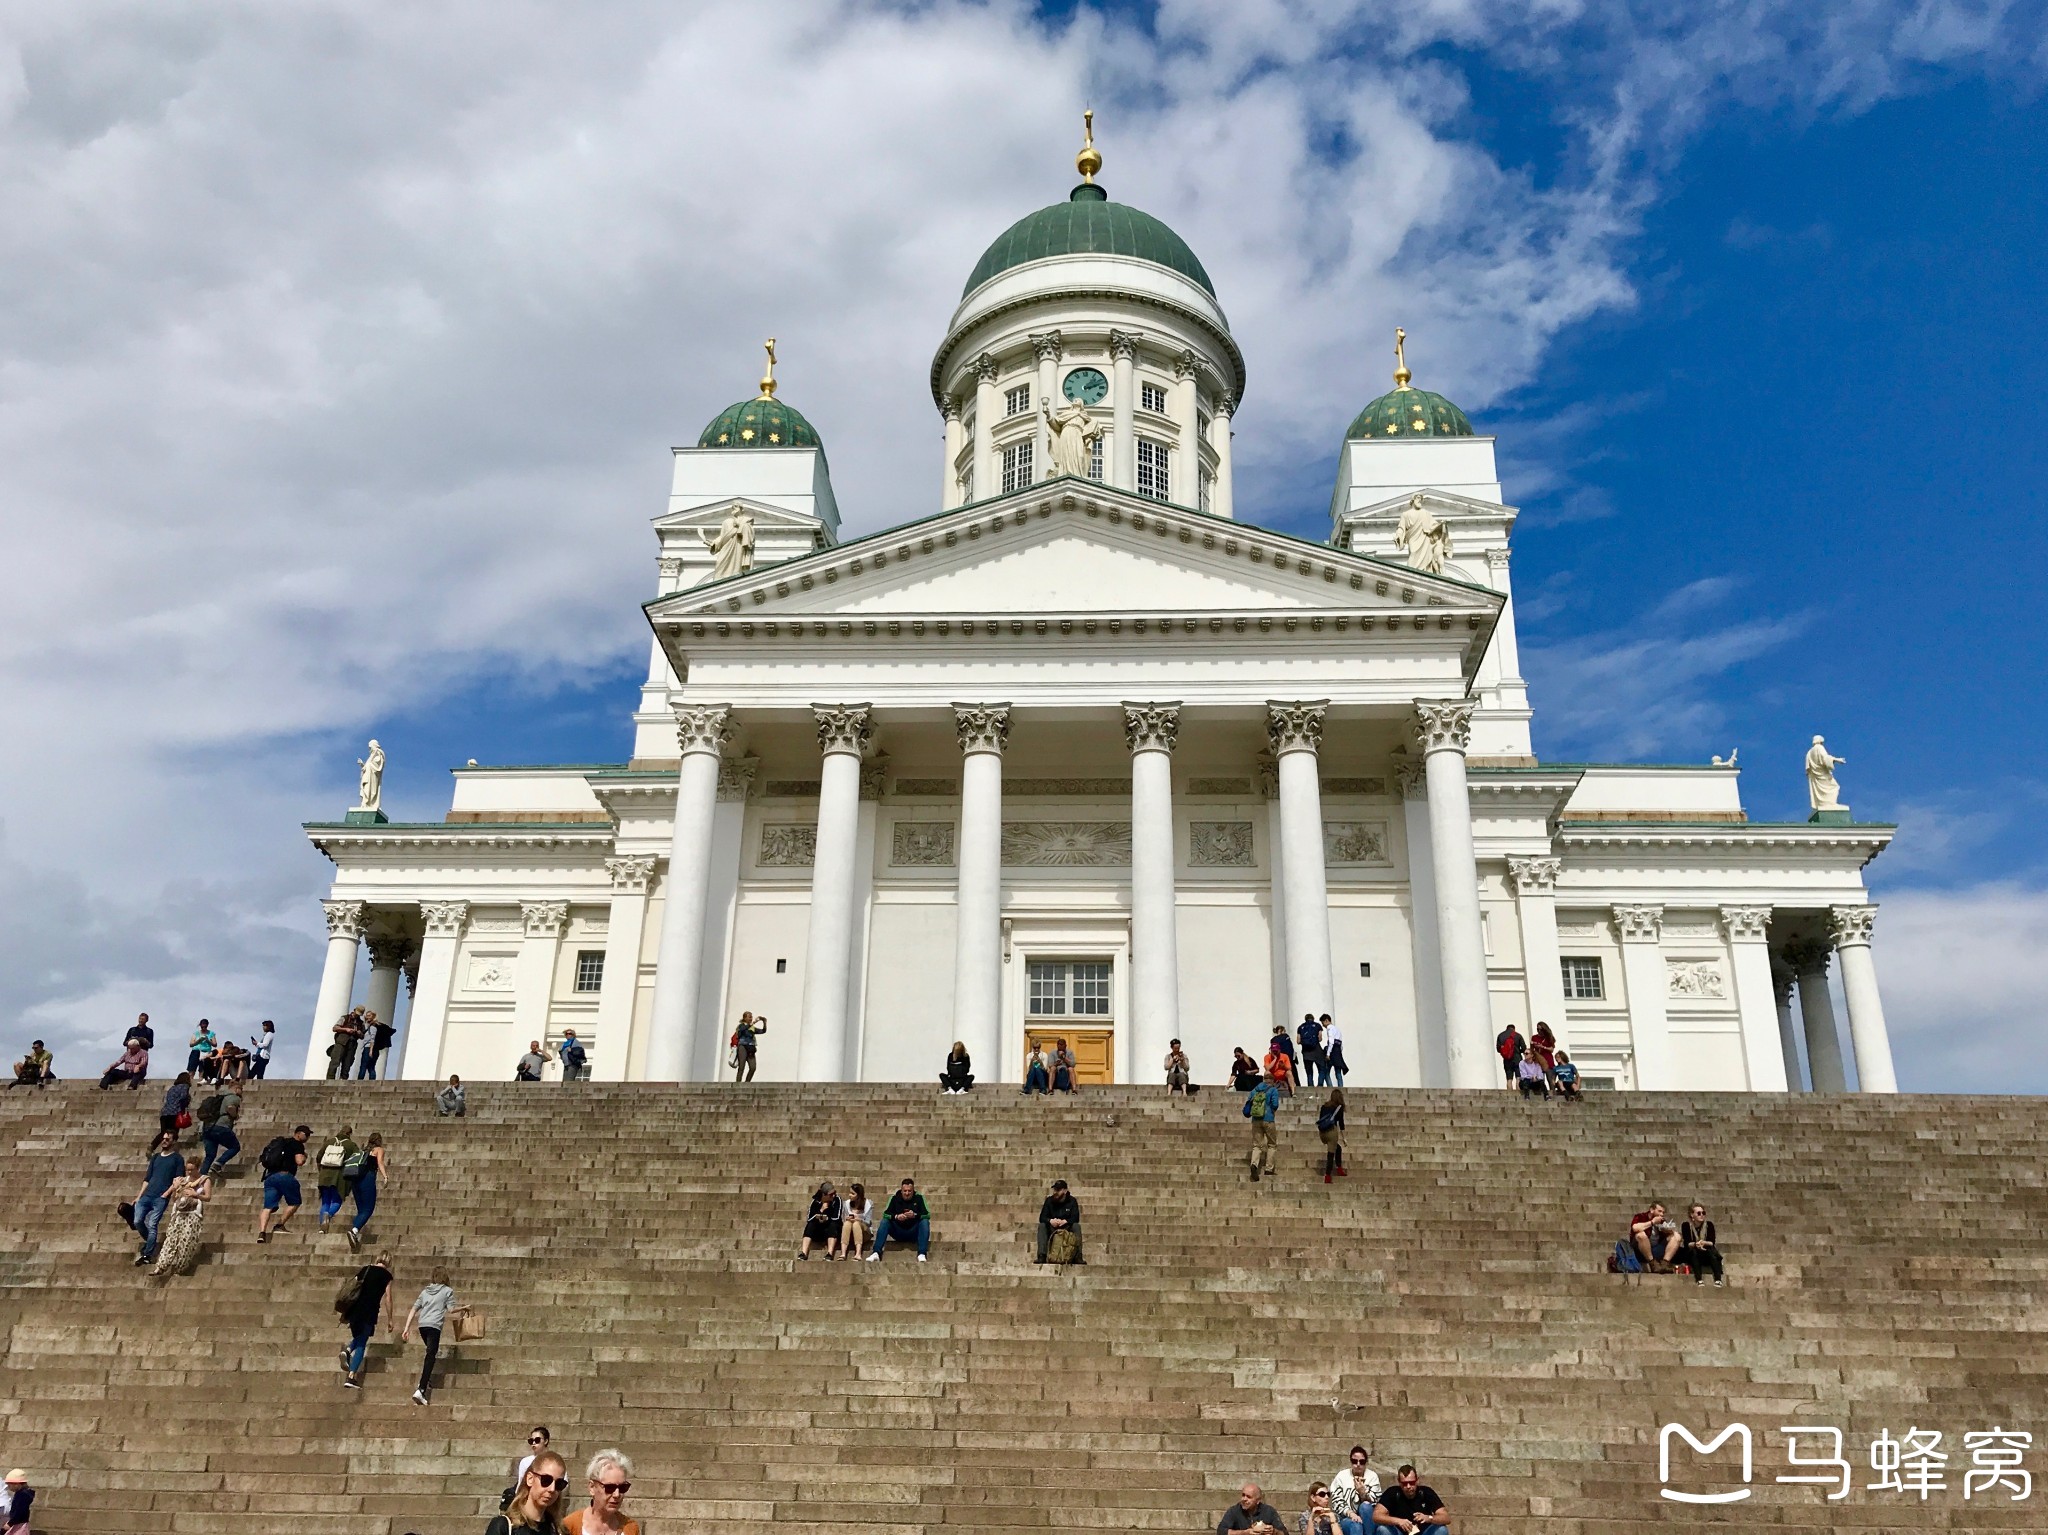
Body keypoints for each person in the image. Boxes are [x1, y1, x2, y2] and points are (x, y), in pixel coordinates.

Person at [399, 1264, 457, 1405]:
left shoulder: (426, 1291)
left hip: (423, 1326)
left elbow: (414, 1309)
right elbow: (451, 1310)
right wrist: (464, 1308)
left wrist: (406, 1328)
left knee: (430, 1352)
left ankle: (427, 1379)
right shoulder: (447, 1291)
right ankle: (421, 1389)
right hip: (434, 1326)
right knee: (431, 1355)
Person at [337, 1251, 394, 1389]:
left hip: (355, 1310)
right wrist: (390, 1319)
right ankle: (351, 1377)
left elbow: (351, 1286)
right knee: (362, 1342)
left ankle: (348, 1350)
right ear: (389, 1262)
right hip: (369, 1311)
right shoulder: (387, 1276)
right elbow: (388, 1298)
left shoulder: (366, 1269)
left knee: (359, 1336)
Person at [130, 1130, 186, 1267]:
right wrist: (139, 1196)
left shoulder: (177, 1159)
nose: (164, 1141)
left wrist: (166, 1194)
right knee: (137, 1221)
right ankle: (151, 1243)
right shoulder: (155, 1157)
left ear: (173, 1141)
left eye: (168, 1139)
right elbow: (147, 1178)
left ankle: (147, 1254)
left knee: (152, 1224)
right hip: (147, 1195)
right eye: (164, 1138)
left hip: (160, 1197)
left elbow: (178, 1179)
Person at [150, 1155, 211, 1279]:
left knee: (187, 1240)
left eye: (191, 1169)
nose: (189, 1172)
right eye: (187, 1169)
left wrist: (196, 1194)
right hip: (179, 1212)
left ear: (197, 1168)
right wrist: (176, 1189)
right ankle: (161, 1266)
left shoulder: (205, 1180)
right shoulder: (182, 1180)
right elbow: (174, 1198)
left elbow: (208, 1197)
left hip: (193, 1213)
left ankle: (180, 1267)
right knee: (171, 1239)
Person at [255, 1124, 311, 1243]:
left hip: (270, 1177)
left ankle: (262, 1232)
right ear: (298, 1134)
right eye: (306, 1134)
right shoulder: (297, 1145)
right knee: (295, 1202)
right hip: (285, 1176)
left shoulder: (281, 1143)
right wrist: (305, 1156)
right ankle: (279, 1225)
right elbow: (299, 1161)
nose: (308, 1137)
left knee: (267, 1207)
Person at [491, 1449, 569, 1534]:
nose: (552, 1489)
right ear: (530, 1479)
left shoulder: (558, 1531)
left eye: (559, 1484)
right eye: (546, 1480)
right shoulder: (504, 1526)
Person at [565, 1448, 639, 1534]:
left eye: (623, 1487)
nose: (617, 1494)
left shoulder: (630, 1528)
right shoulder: (570, 1526)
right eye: (610, 1488)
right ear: (592, 1487)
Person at [868, 1177, 931, 1262]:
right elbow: (885, 1214)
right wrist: (896, 1216)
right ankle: (876, 1252)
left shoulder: (919, 1198)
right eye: (905, 1191)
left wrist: (915, 1215)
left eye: (909, 1191)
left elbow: (927, 1214)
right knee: (885, 1222)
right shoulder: (894, 1198)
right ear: (901, 1190)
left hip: (914, 1232)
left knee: (925, 1222)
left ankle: (922, 1253)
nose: (907, 1193)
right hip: (898, 1231)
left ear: (913, 1191)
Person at [1372, 1465, 1450, 1533]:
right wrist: (1398, 1521)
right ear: (1399, 1482)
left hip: (1424, 1532)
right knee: (1382, 1529)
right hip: (1399, 1532)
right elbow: (1376, 1516)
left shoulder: (1426, 1492)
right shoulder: (1393, 1493)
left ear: (1417, 1481)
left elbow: (1446, 1518)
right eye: (1404, 1483)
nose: (1408, 1486)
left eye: (1412, 1482)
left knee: (1442, 1529)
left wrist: (1428, 1518)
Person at [346, 1131, 387, 1252]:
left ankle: (354, 1232)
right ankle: (354, 1231)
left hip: (356, 1180)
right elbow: (380, 1162)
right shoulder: (379, 1149)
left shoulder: (363, 1151)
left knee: (361, 1210)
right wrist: (385, 1176)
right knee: (368, 1209)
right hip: (367, 1179)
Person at [315, 1125, 359, 1234]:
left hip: (324, 1175)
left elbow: (318, 1157)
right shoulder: (350, 1145)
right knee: (336, 1200)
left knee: (325, 1201)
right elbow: (357, 1159)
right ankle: (328, 1216)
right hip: (340, 1177)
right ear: (349, 1134)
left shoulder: (329, 1142)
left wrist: (321, 1170)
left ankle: (322, 1228)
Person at [1331, 1448, 1383, 1535]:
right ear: (1350, 1461)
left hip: (1368, 1520)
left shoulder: (1372, 1476)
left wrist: (1363, 1493)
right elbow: (1336, 1501)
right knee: (1356, 1525)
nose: (1358, 1464)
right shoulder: (1342, 1476)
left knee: (1365, 1506)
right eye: (1354, 1461)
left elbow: (1376, 1503)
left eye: (1361, 1462)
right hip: (1346, 1518)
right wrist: (1351, 1514)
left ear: (1366, 1462)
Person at [1244, 1068, 1282, 1183]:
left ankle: (1254, 1165)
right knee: (1271, 1144)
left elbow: (1249, 1101)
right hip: (1268, 1119)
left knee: (1257, 1145)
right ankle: (1269, 1169)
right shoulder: (1273, 1090)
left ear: (1263, 1079)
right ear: (1272, 1080)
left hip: (1256, 1120)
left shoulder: (1255, 1090)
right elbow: (1275, 1105)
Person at [1035, 1178, 1082, 1264]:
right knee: (1042, 1226)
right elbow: (1042, 1217)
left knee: (1076, 1226)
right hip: (1052, 1227)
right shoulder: (1049, 1200)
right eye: (1055, 1189)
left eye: (1058, 1190)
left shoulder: (1072, 1201)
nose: (1055, 1192)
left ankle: (1078, 1256)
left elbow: (1076, 1217)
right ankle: (1042, 1255)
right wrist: (1050, 1220)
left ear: (1064, 1191)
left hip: (1066, 1227)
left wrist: (1066, 1221)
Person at [1679, 1203, 1725, 1287]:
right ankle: (1699, 1279)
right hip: (1692, 1250)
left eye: (1703, 1213)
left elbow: (1711, 1242)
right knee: (1694, 1253)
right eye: (1698, 1213)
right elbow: (1687, 1243)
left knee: (1711, 1252)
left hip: (1706, 1250)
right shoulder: (1686, 1225)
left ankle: (1718, 1279)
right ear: (1692, 1215)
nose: (1702, 1215)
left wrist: (1703, 1243)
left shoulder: (1709, 1225)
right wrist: (1696, 1244)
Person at [1217, 1482, 1287, 1535]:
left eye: (1248, 1497)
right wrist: (1245, 1532)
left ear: (1258, 1501)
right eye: (1243, 1495)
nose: (1244, 1499)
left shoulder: (1269, 1511)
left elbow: (1284, 1533)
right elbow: (1221, 1531)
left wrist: (1274, 1531)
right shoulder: (1234, 1511)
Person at [198, 1094, 242, 1175]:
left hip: (207, 1128)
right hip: (221, 1127)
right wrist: (235, 1116)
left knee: (210, 1155)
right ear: (237, 1088)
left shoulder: (217, 1098)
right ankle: (218, 1164)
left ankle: (202, 1176)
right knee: (235, 1147)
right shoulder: (233, 1096)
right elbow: (230, 1107)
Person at [799, 1181, 842, 1260]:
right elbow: (810, 1218)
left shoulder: (837, 1200)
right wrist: (821, 1211)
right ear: (824, 1195)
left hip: (831, 1230)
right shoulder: (815, 1202)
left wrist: (827, 1214)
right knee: (810, 1225)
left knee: (833, 1225)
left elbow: (836, 1217)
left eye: (834, 1193)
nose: (834, 1195)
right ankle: (804, 1253)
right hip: (818, 1230)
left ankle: (830, 1253)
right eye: (831, 1194)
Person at [1630, 1202, 1680, 1270]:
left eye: (1663, 1212)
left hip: (1656, 1249)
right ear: (1652, 1210)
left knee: (1676, 1236)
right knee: (1640, 1234)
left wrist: (1668, 1230)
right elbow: (1635, 1228)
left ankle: (1665, 1263)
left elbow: (1671, 1233)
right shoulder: (1640, 1216)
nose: (1661, 1214)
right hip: (1640, 1250)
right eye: (1659, 1211)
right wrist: (1652, 1222)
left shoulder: (1662, 1221)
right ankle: (1652, 1264)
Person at [1317, 1087, 1347, 1183]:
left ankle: (1339, 1168)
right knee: (1331, 1153)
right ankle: (1328, 1175)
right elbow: (1341, 1124)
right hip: (1331, 1132)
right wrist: (1344, 1138)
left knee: (1338, 1148)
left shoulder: (1324, 1106)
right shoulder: (1339, 1107)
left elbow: (1321, 1119)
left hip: (1322, 1132)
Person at [356, 1011, 397, 1080]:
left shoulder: (373, 1027)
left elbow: (372, 1039)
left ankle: (359, 1081)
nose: (367, 1017)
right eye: (366, 1015)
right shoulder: (372, 1026)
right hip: (375, 1049)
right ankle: (372, 1082)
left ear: (373, 1017)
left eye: (369, 1015)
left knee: (364, 1066)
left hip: (369, 1048)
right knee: (371, 1067)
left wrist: (370, 1050)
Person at [839, 1181, 874, 1260]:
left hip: (864, 1232)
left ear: (858, 1195)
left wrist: (858, 1219)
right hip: (850, 1232)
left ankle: (858, 1253)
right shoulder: (846, 1204)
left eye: (853, 1193)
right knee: (847, 1223)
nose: (850, 1195)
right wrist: (847, 1219)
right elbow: (843, 1219)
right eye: (850, 1193)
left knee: (856, 1224)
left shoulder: (868, 1204)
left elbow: (868, 1222)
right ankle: (843, 1253)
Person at [327, 1008, 365, 1080]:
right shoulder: (345, 1018)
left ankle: (343, 1078)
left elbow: (362, 1036)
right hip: (341, 1042)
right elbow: (335, 1028)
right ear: (354, 1011)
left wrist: (359, 1033)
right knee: (335, 1060)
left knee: (348, 1062)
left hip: (352, 1043)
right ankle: (330, 1078)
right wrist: (346, 1029)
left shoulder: (361, 1023)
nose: (357, 1015)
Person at [731, 1011, 764, 1082]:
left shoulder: (752, 1028)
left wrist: (764, 1022)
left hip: (751, 1048)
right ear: (744, 1018)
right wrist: (753, 1023)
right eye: (749, 1017)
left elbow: (763, 1031)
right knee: (741, 1066)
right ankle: (738, 1083)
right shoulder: (741, 1026)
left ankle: (747, 1082)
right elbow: (742, 1030)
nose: (751, 1018)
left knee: (753, 1067)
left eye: (751, 1017)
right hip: (742, 1046)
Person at [1298, 1012, 1329, 1088]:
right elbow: (1320, 1038)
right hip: (1317, 1050)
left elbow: (1298, 1041)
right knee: (1322, 1068)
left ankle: (1310, 1086)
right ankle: (1320, 1085)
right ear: (1313, 1018)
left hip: (1306, 1052)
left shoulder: (1300, 1027)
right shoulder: (1317, 1026)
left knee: (1309, 1071)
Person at [158, 1072, 192, 1139]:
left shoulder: (172, 1088)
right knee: (173, 1133)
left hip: (165, 1112)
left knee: (164, 1133)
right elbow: (183, 1097)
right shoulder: (185, 1086)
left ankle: (153, 1145)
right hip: (175, 1112)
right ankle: (171, 1147)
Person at [1266, 1024, 1297, 1094]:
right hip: (1287, 1058)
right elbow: (1290, 1048)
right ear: (1281, 1030)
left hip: (1280, 1061)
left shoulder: (1273, 1040)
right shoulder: (1285, 1037)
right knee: (1292, 1072)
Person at [1495, 1023, 1524, 1088]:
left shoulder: (1501, 1035)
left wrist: (1505, 1052)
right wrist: (1519, 1051)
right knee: (1518, 1077)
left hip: (1507, 1059)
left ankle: (1509, 1093)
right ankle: (1518, 1093)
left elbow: (1498, 1049)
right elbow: (1524, 1048)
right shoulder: (1518, 1035)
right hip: (1517, 1058)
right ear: (1514, 1029)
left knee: (1509, 1079)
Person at [3, 1468, 32, 1534]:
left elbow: (19, 1511)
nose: (8, 1487)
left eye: (9, 1485)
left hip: (18, 1524)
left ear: (17, 1484)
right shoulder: (24, 1494)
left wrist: (10, 1523)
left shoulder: (22, 1496)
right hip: (19, 1523)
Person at [1322, 1015, 1348, 1087]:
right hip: (1338, 1050)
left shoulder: (1329, 1028)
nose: (1323, 1025)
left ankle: (1330, 1087)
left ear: (1326, 1021)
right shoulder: (1337, 1029)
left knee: (1327, 1072)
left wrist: (1328, 1054)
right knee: (1338, 1072)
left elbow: (1331, 1042)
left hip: (1332, 1051)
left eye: (1323, 1023)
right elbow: (1341, 1044)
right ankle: (1340, 1087)